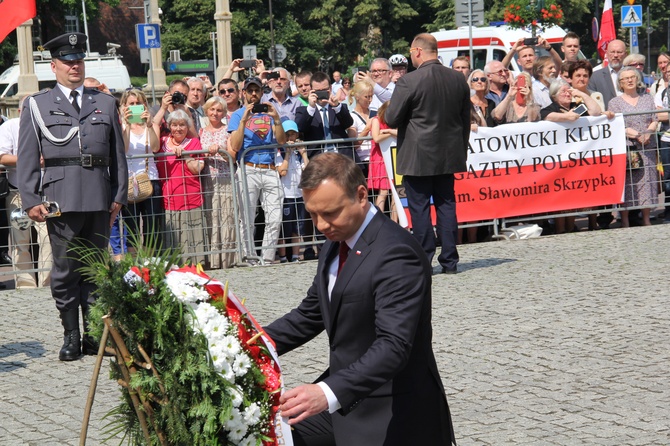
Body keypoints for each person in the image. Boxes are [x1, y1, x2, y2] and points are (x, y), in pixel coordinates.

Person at [264, 152, 456, 446]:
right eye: (313, 214)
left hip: (391, 410)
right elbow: (310, 314)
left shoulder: (395, 253)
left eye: (330, 213)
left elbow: (393, 346)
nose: (321, 225)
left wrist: (326, 393)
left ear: (362, 195)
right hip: (346, 398)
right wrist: (247, 343)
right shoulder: (337, 241)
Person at [17, 32, 127, 361]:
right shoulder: (38, 104)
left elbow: (117, 154)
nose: (74, 66)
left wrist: (118, 193)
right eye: (67, 61)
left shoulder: (104, 102)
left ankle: (94, 335)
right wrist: (31, 198)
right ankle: (71, 335)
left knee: (95, 268)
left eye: (78, 60)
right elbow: (27, 156)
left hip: (97, 195)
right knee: (65, 271)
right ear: (54, 67)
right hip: (60, 199)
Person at [385, 33, 470, 275]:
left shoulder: (409, 81)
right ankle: (450, 261)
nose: (411, 56)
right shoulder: (457, 79)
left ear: (419, 51)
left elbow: (392, 118)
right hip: (449, 154)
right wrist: (460, 150)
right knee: (446, 205)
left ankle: (424, 259)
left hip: (417, 155)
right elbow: (465, 120)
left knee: (420, 208)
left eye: (412, 52)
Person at [228, 77, 286, 264]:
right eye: (250, 90)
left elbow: (282, 141)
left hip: (269, 168)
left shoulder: (271, 111)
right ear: (243, 93)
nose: (254, 94)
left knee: (275, 217)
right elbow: (235, 146)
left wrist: (276, 118)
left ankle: (267, 259)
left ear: (262, 92)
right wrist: (244, 120)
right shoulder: (237, 114)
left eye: (257, 90)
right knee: (247, 217)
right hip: (248, 169)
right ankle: (249, 257)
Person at [0, 97, 52, 289]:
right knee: (21, 240)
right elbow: (2, 156)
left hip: (45, 190)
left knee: (47, 238)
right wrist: (29, 159)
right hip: (17, 191)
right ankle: (25, 284)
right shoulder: (9, 127)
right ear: (21, 112)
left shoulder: (47, 126)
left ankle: (47, 283)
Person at [607, 67, 659, 228]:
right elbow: (617, 125)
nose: (629, 80)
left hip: (648, 146)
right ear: (620, 83)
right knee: (628, 184)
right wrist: (636, 135)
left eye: (632, 77)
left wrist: (648, 133)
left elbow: (654, 119)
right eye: (625, 79)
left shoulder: (647, 98)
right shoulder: (614, 102)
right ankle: (625, 220)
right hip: (629, 148)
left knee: (648, 182)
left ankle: (646, 218)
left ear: (637, 79)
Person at [156, 109, 206, 265]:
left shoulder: (194, 143)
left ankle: (195, 267)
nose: (178, 129)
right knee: (173, 238)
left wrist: (185, 155)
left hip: (191, 197)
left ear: (188, 126)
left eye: (182, 125)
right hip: (169, 198)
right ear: (170, 126)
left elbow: (197, 169)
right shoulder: (162, 142)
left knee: (192, 236)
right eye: (175, 125)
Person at [119, 89, 163, 253]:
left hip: (150, 178)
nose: (135, 106)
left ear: (145, 105)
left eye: (139, 103)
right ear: (124, 106)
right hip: (130, 180)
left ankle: (151, 263)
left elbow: (155, 147)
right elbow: (123, 148)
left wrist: (149, 125)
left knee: (152, 224)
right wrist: (128, 124)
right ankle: (134, 266)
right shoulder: (122, 126)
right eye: (131, 104)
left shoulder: (152, 125)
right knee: (131, 226)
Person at [199, 96, 236, 269]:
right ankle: (212, 260)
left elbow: (233, 156)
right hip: (207, 179)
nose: (215, 113)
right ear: (206, 110)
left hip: (225, 178)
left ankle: (227, 259)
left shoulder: (228, 130)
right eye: (212, 109)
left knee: (226, 217)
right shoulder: (200, 131)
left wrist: (220, 151)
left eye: (219, 110)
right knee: (210, 217)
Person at [295, 71, 356, 161]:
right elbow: (301, 128)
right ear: (311, 90)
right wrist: (311, 107)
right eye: (318, 91)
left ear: (330, 88)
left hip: (341, 157)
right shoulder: (304, 111)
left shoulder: (340, 107)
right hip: (318, 158)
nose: (321, 94)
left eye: (324, 90)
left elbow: (348, 123)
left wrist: (336, 106)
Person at [275, 120, 309, 263]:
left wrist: (304, 153)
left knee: (297, 227)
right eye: (287, 135)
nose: (290, 138)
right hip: (286, 195)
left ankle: (295, 255)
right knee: (284, 228)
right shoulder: (279, 152)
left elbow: (308, 171)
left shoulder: (299, 153)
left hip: (299, 194)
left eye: (292, 135)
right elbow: (282, 171)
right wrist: (287, 154)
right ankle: (283, 256)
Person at [368, 101, 396, 215]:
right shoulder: (376, 120)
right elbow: (376, 138)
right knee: (383, 191)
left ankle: (396, 223)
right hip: (380, 157)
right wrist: (391, 133)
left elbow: (404, 133)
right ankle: (380, 220)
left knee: (396, 193)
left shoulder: (395, 121)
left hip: (393, 156)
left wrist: (388, 131)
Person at [348, 80, 373, 177]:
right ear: (357, 97)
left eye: (371, 96)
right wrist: (366, 129)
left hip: (377, 158)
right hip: (363, 161)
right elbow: (354, 144)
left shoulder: (374, 112)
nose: (370, 100)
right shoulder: (352, 117)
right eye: (367, 97)